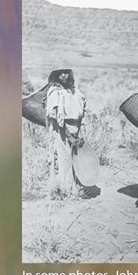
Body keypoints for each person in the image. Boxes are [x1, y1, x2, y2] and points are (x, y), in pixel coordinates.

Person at [43, 68, 87, 197]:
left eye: (66, 72)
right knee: (64, 160)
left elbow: (82, 114)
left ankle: (75, 188)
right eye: (60, 73)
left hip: (76, 128)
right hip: (61, 131)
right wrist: (69, 136)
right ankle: (64, 191)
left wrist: (80, 133)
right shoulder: (54, 93)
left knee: (76, 158)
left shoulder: (76, 92)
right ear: (56, 75)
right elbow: (57, 119)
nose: (64, 75)